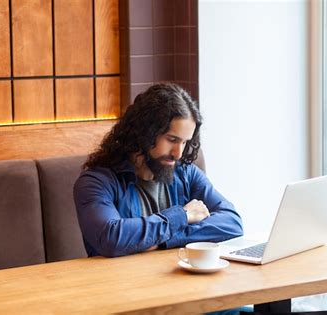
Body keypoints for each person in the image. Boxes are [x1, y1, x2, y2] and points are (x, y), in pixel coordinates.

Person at [73, 82, 243, 258]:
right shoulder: (95, 182)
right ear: (145, 131)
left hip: (178, 281)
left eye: (184, 142)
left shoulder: (186, 174)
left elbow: (232, 223)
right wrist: (182, 216)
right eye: (171, 139)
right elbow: (112, 238)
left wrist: (162, 241)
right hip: (120, 283)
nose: (178, 153)